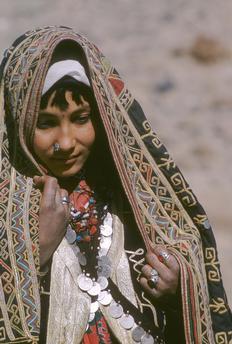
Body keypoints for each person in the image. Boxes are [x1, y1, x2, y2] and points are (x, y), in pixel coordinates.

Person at [0, 26, 231, 344]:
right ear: (19, 119)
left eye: (81, 119)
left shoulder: (134, 196)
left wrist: (176, 286)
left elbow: (193, 269)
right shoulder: (6, 210)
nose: (66, 142)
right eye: (46, 123)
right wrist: (35, 250)